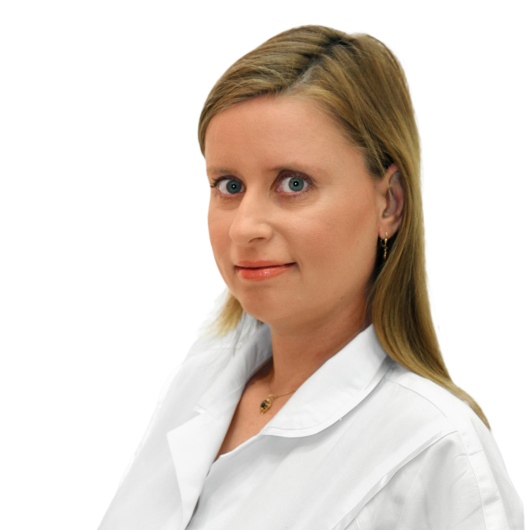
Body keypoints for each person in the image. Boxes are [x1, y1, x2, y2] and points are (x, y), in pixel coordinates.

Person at [99, 25, 523, 529]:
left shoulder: (437, 451)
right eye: (229, 185)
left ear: (389, 204)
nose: (245, 228)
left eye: (294, 183)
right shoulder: (205, 375)